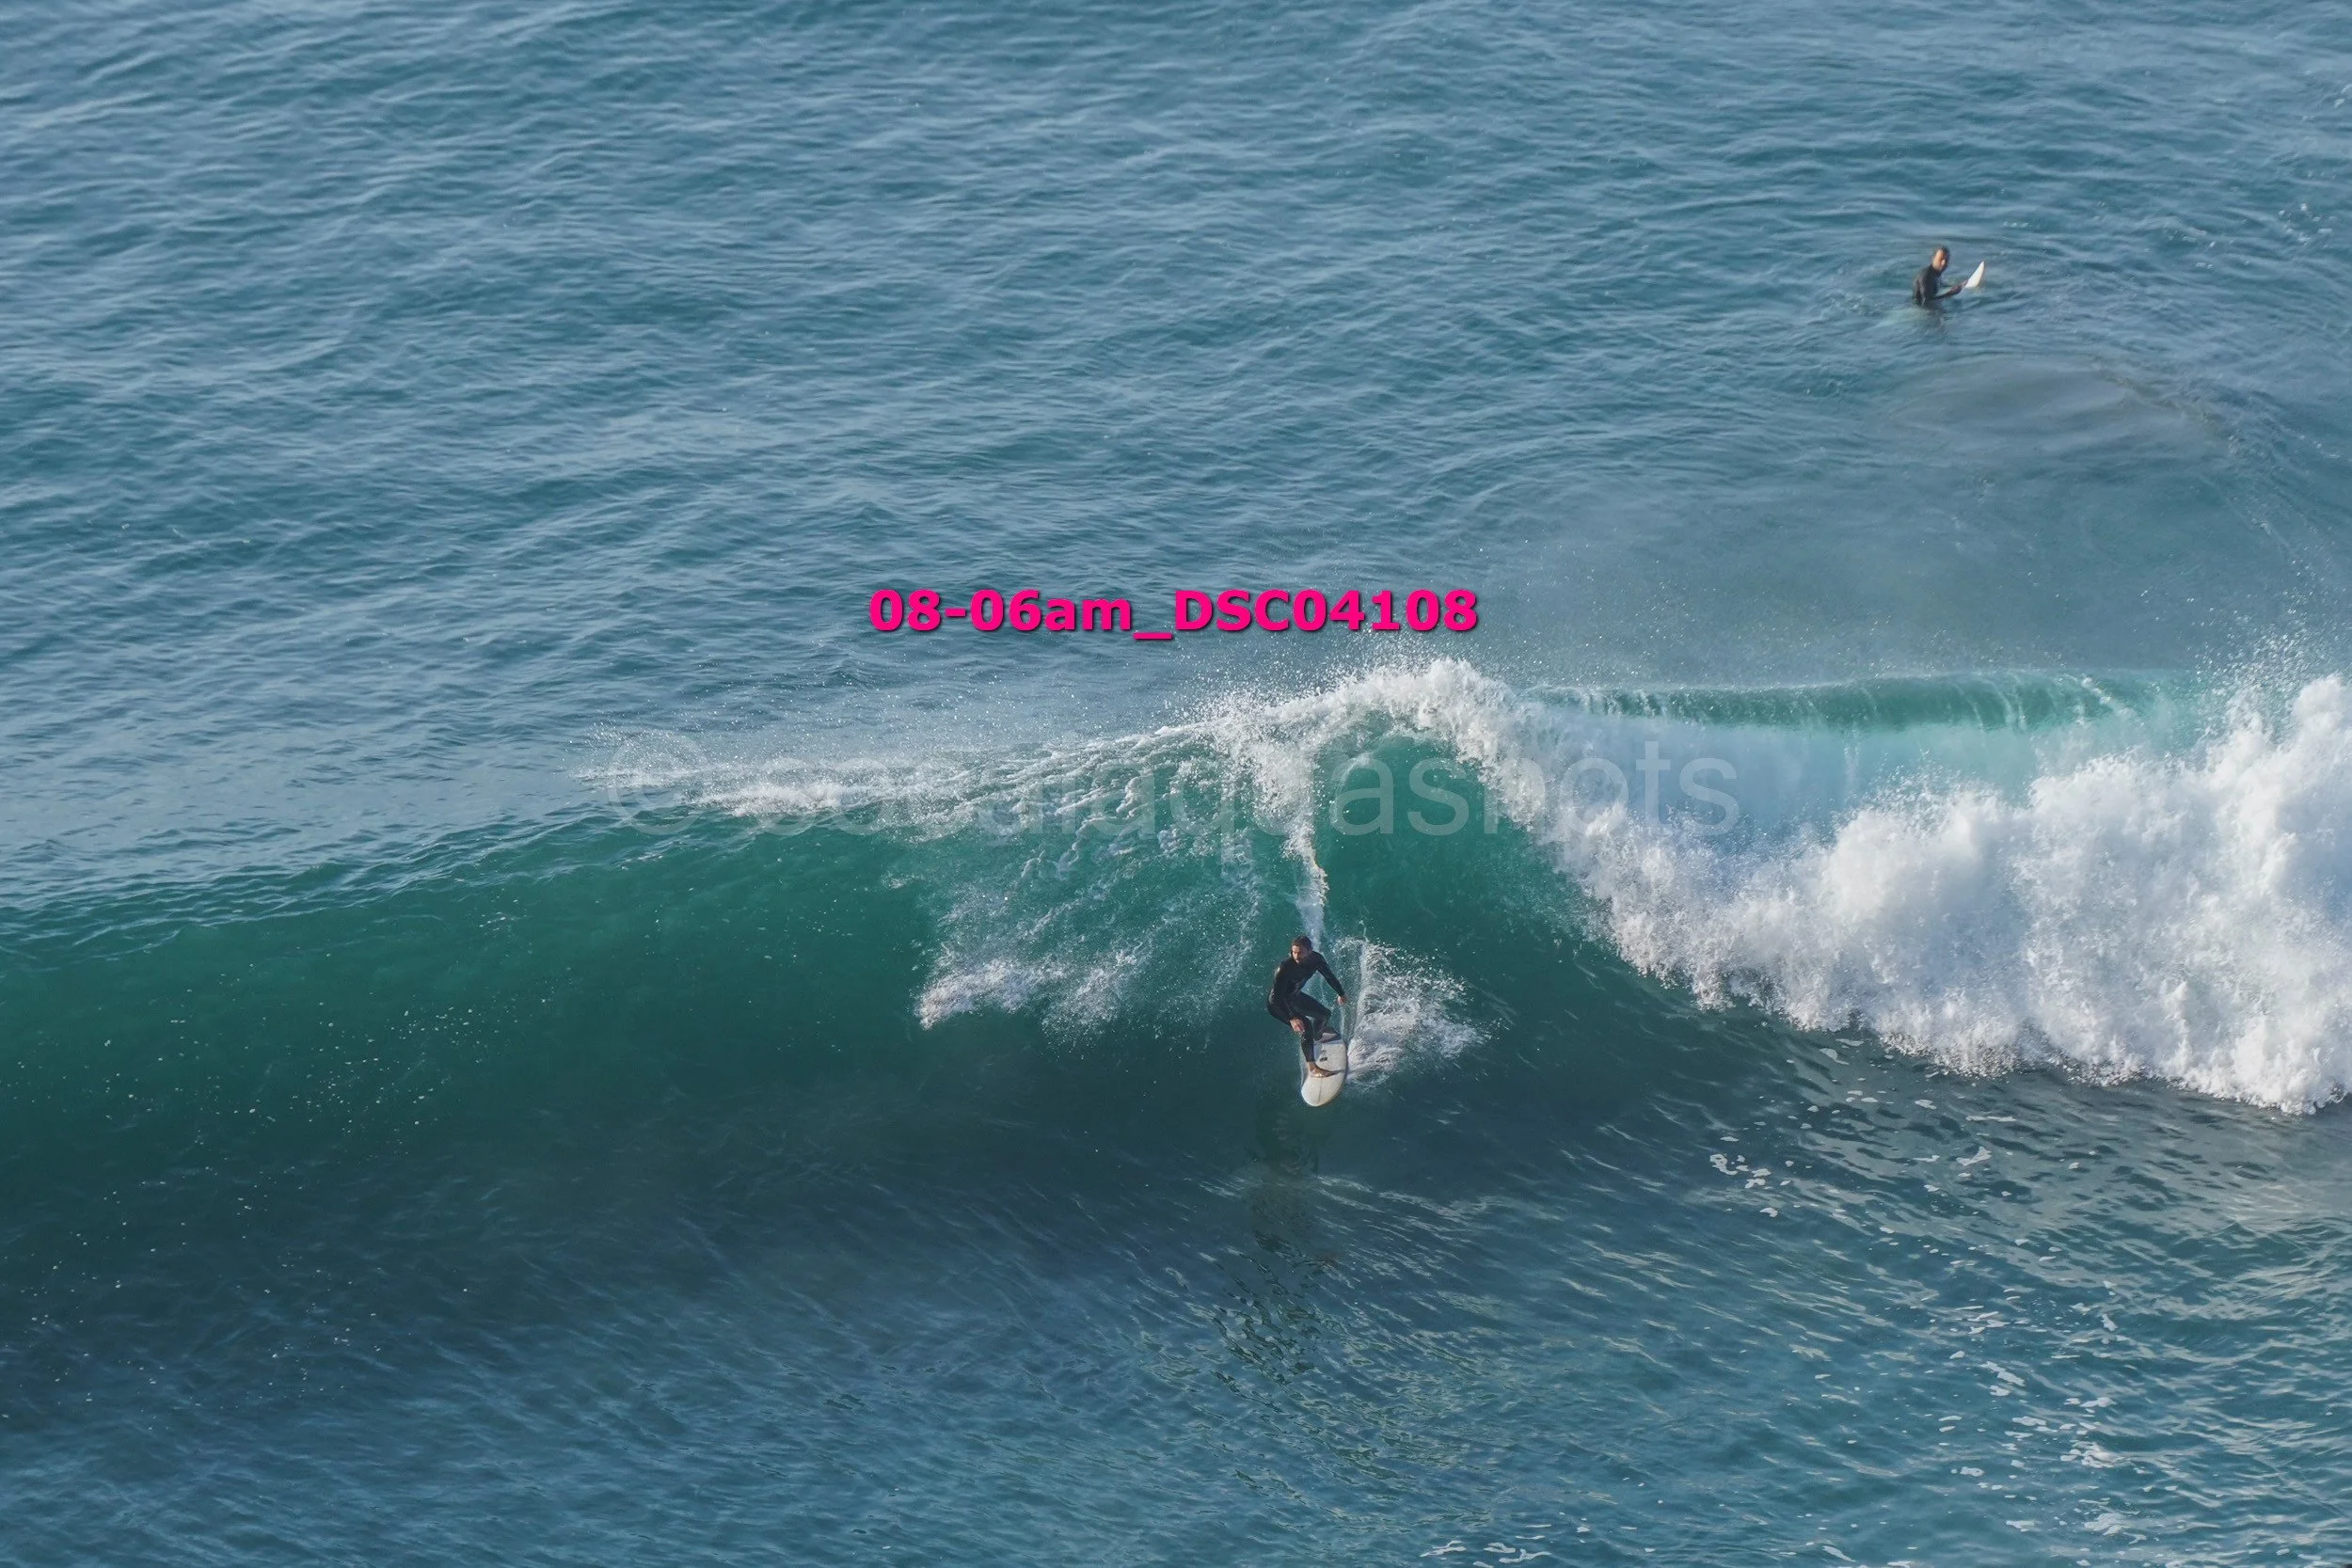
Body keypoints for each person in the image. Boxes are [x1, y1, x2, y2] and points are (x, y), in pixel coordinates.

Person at [1267, 934, 1349, 1075]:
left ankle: (1318, 1037)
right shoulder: (1285, 968)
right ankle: (1312, 1068)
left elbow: (1329, 976)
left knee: (1324, 1014)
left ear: (1309, 951)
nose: (1296, 956)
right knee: (1306, 1027)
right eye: (1294, 952)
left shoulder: (1317, 960)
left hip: (1295, 996)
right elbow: (1277, 998)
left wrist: (1341, 993)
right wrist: (1292, 1018)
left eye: (1300, 953)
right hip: (1278, 1004)